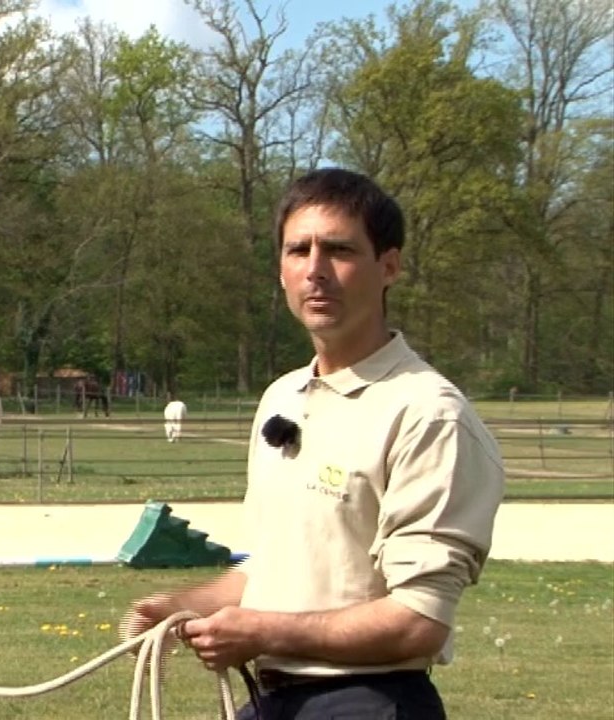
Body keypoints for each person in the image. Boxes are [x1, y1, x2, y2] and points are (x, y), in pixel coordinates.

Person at [122, 168, 504, 719]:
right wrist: (176, 608)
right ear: (280, 270)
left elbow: (419, 621)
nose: (316, 270)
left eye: (340, 250)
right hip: (273, 700)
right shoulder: (283, 396)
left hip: (368, 703)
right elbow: (267, 573)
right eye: (298, 250)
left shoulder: (428, 414)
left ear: (389, 266)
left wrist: (260, 632)